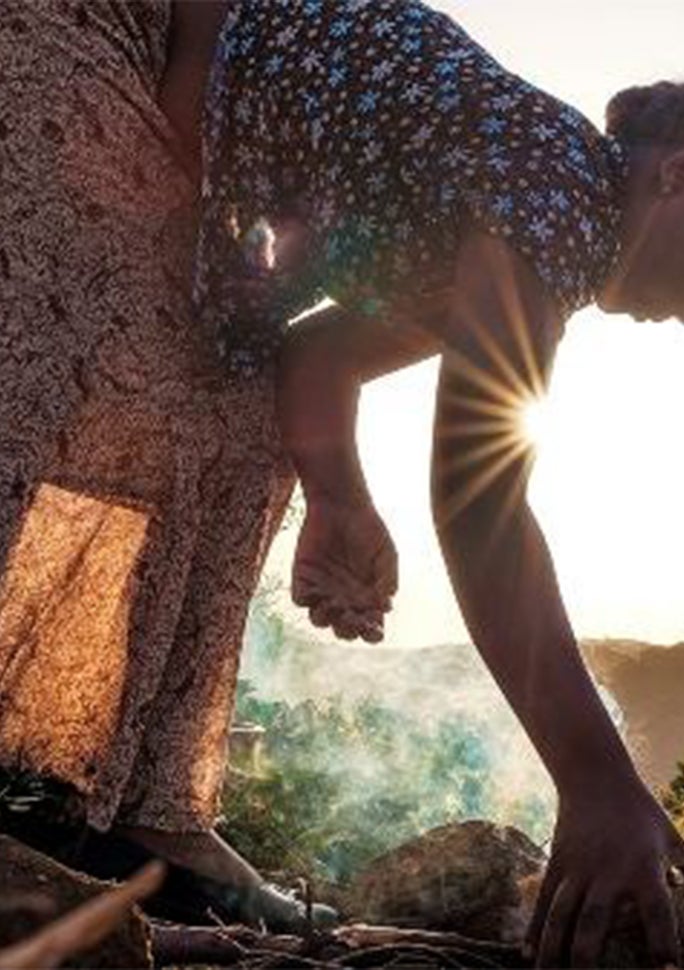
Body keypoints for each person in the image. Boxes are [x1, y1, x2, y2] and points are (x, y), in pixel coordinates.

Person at [188, 1, 684, 966]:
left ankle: (146, 802)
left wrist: (339, 499)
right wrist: (597, 783)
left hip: (181, 120)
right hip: (138, 37)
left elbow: (321, 358)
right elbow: (481, 498)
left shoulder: (510, 222)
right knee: (84, 387)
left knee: (216, 410)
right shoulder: (554, 190)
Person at [0, 0, 332, 930]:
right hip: (52, 72)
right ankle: (153, 803)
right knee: (237, 393)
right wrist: (254, 260)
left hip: (74, 79)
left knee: (48, 388)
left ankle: (135, 797)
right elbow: (197, 100)